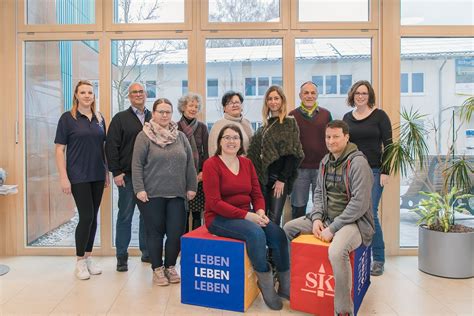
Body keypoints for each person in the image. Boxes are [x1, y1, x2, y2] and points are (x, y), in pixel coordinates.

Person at [283, 120, 374, 316]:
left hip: (353, 222)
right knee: (288, 228)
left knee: (337, 251)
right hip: (326, 218)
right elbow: (318, 193)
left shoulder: (358, 163)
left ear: (346, 137)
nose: (331, 141)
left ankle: (343, 311)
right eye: (328, 137)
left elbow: (359, 204)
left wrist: (333, 229)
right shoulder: (325, 161)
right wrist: (316, 218)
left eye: (336, 136)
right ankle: (291, 286)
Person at [203, 124, 290, 311]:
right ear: (219, 141)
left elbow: (257, 194)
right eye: (226, 137)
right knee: (255, 234)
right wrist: (248, 216)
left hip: (248, 214)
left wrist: (259, 211)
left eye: (235, 138)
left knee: (279, 234)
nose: (231, 141)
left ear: (241, 142)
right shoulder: (211, 164)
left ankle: (285, 285)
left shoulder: (246, 163)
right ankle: (265, 285)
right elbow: (214, 203)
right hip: (219, 218)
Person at [132, 98, 197, 286]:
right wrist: (139, 189)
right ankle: (157, 269)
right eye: (161, 111)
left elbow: (189, 164)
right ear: (154, 113)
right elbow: (136, 165)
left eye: (168, 112)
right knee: (155, 233)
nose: (164, 115)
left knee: (176, 233)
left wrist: (191, 186)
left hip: (177, 194)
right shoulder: (144, 136)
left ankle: (170, 266)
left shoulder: (180, 136)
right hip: (151, 194)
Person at [54, 80, 109, 280]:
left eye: (90, 92)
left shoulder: (100, 118)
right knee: (85, 216)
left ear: (94, 96)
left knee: (93, 218)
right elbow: (59, 149)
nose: (87, 95)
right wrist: (63, 177)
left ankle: (88, 257)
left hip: (97, 174)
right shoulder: (67, 119)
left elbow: (103, 149)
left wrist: (106, 172)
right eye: (83, 92)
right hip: (77, 175)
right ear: (76, 95)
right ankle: (79, 261)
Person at [343, 80, 392, 276]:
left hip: (374, 170)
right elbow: (344, 145)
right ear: (352, 96)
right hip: (352, 171)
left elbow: (389, 145)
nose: (360, 96)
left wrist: (386, 171)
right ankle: (359, 254)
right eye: (357, 93)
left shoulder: (380, 116)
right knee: (353, 213)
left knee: (370, 213)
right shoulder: (348, 117)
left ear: (369, 95)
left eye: (364, 93)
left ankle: (378, 258)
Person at [105, 82, 150, 272]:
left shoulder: (152, 117)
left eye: (141, 92)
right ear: (129, 96)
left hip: (149, 176)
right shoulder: (120, 118)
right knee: (125, 216)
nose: (138, 95)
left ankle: (147, 252)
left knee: (148, 217)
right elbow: (111, 146)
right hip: (127, 176)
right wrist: (116, 172)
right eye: (134, 92)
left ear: (145, 94)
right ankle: (121, 257)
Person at [247, 85, 304, 225]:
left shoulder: (289, 122)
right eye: (270, 99)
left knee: (274, 218)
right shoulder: (264, 126)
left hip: (278, 179)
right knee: (260, 217)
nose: (273, 102)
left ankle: (274, 247)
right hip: (262, 179)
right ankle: (262, 247)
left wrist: (282, 179)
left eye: (276, 98)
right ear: (266, 102)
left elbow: (292, 154)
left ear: (282, 101)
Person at [289, 81, 332, 219]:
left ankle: (317, 238)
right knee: (298, 206)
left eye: (313, 93)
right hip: (299, 169)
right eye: (306, 93)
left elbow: (332, 139)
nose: (309, 96)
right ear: (300, 95)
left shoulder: (326, 115)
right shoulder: (292, 115)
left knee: (321, 207)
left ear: (317, 95)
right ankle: (296, 238)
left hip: (322, 168)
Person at [177, 93, 209, 232]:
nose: (193, 109)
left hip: (199, 177)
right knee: (182, 213)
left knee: (197, 214)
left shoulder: (202, 127)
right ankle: (183, 244)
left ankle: (195, 242)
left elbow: (207, 152)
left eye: (196, 106)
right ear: (183, 107)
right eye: (190, 105)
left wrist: (203, 172)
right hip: (180, 177)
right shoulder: (175, 127)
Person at [207, 91, 253, 156]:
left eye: (237, 102)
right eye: (230, 103)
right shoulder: (218, 125)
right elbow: (213, 151)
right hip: (227, 164)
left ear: (241, 106)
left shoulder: (247, 123)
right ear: (224, 108)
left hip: (248, 164)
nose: (234, 105)